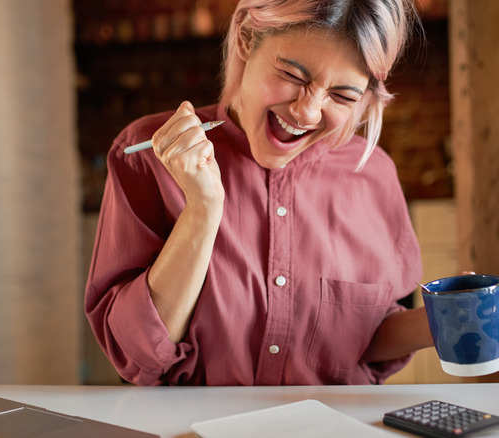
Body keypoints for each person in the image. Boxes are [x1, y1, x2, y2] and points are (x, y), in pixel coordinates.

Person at [85, 0, 433, 386]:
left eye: (342, 96)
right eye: (293, 75)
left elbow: (365, 339)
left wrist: (440, 322)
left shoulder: (374, 174)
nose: (307, 113)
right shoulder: (148, 154)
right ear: (247, 39)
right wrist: (203, 208)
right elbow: (137, 358)